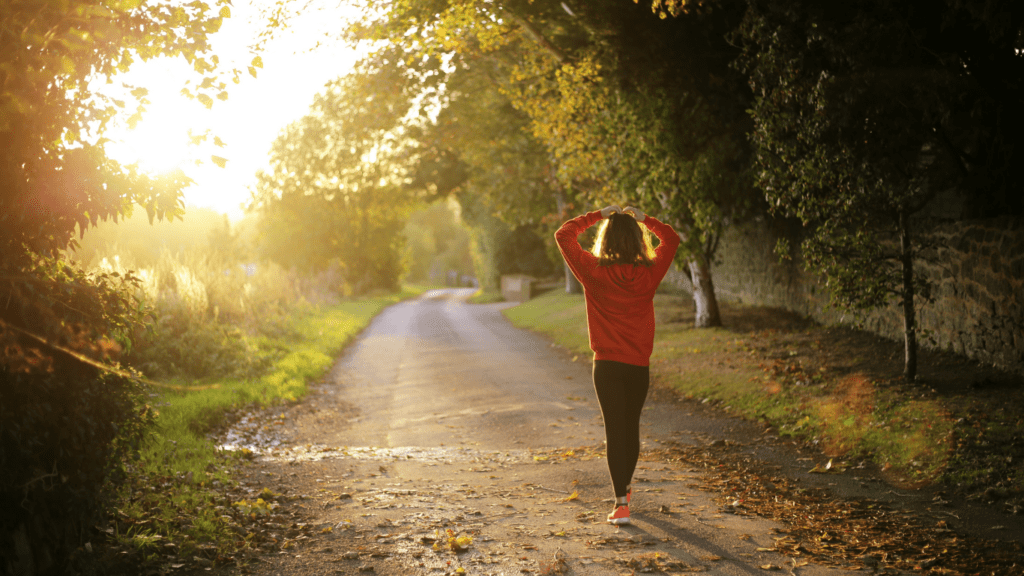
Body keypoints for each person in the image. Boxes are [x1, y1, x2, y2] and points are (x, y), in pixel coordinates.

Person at [554, 204, 680, 525]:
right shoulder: (650, 273)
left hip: (607, 365)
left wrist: (598, 215)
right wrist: (645, 219)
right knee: (631, 428)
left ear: (606, 240)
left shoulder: (593, 272)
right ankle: (624, 488)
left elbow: (564, 234)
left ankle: (621, 503)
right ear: (638, 240)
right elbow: (672, 238)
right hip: (638, 365)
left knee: (615, 431)